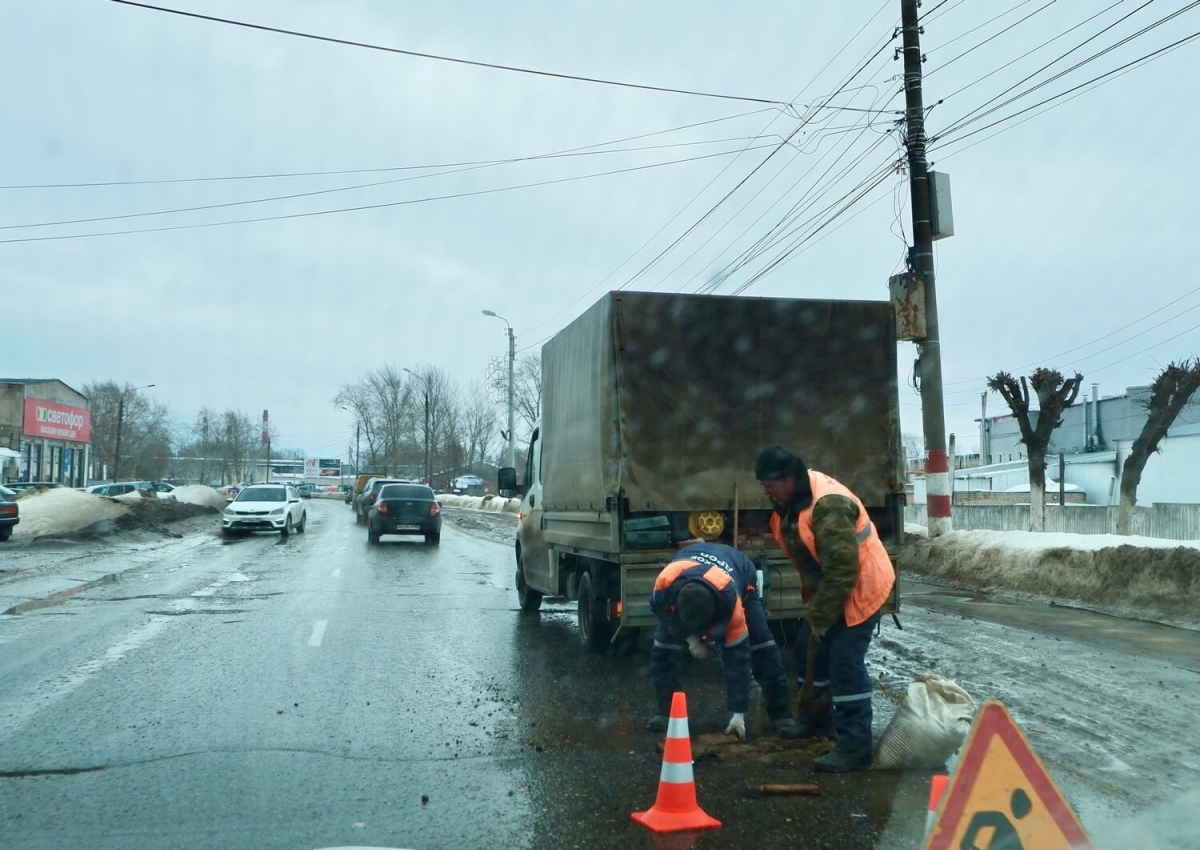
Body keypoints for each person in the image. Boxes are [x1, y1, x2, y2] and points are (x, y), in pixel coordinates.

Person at [755, 444, 896, 772]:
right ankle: (816, 720)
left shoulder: (829, 506)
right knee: (809, 647)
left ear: (788, 479)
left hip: (862, 587)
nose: (765, 491)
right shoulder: (792, 500)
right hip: (834, 586)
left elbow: (843, 571)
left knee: (844, 662)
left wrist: (821, 617)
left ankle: (855, 746)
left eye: (769, 484)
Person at [646, 540, 802, 740]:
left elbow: (738, 659)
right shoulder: (664, 583)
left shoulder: (731, 602)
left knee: (762, 646)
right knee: (663, 649)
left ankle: (781, 714)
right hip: (693, 565)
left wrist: (738, 714)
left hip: (740, 573)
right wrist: (692, 639)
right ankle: (666, 712)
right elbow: (662, 613)